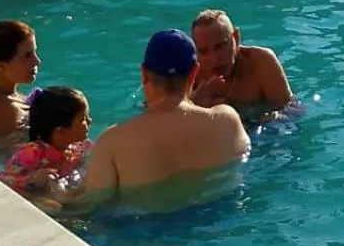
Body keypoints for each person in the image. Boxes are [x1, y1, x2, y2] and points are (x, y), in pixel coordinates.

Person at [77, 30, 251, 205]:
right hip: (218, 219)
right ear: (194, 72)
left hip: (145, 227)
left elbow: (91, 206)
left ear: (144, 73)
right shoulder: (227, 121)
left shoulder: (112, 143)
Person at [190, 10, 295, 111]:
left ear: (236, 37)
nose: (214, 58)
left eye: (220, 46)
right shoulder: (191, 71)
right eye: (203, 51)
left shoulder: (261, 62)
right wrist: (194, 105)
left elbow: (290, 111)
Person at [0, 86, 92, 197]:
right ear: (61, 131)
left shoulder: (80, 146)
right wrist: (31, 179)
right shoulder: (31, 153)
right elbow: (0, 179)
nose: (90, 121)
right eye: (83, 119)